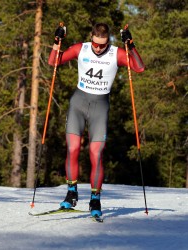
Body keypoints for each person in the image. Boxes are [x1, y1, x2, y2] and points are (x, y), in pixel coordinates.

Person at [48, 22, 145, 217]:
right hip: (79, 102)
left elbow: (139, 68)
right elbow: (54, 62)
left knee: (96, 153)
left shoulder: (116, 53)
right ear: (91, 38)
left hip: (100, 106)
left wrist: (130, 44)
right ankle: (71, 193)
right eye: (96, 44)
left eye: (102, 44)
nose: (98, 48)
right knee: (73, 148)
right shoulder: (81, 48)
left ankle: (95, 199)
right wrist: (57, 41)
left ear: (108, 40)